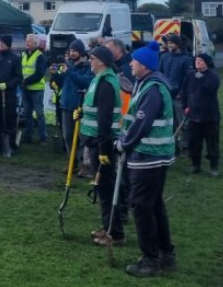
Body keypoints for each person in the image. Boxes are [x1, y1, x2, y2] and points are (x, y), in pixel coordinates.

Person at [117, 41, 176, 277]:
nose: (130, 63)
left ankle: (150, 259)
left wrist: (124, 143)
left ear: (143, 64)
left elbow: (142, 123)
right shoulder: (147, 84)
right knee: (155, 205)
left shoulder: (152, 88)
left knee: (141, 206)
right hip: (154, 155)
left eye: (134, 61)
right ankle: (166, 253)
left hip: (148, 156)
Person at [81, 46, 125, 247]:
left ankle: (114, 232)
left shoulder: (106, 83)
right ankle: (107, 226)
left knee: (107, 189)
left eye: (93, 58)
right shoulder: (97, 79)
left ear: (102, 61)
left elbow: (105, 119)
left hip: (103, 145)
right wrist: (81, 114)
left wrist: (104, 150)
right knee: (103, 189)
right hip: (95, 141)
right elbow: (95, 108)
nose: (90, 60)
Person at [51, 39, 94, 164]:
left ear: (81, 52)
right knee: (67, 136)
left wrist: (69, 72)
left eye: (75, 50)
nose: (72, 53)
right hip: (66, 105)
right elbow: (62, 82)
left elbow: (84, 82)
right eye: (70, 50)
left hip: (80, 107)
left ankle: (83, 163)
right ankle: (72, 162)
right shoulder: (68, 65)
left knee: (82, 137)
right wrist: (55, 75)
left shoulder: (87, 68)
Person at [180, 53, 221, 177]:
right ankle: (195, 165)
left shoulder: (213, 76)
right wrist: (185, 105)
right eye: (196, 60)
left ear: (206, 63)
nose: (198, 62)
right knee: (194, 143)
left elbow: (210, 89)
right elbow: (185, 91)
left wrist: (201, 77)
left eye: (201, 60)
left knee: (212, 144)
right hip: (193, 116)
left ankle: (214, 167)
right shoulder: (190, 75)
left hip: (210, 117)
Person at [0, 34, 22, 157]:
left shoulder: (15, 58)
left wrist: (7, 85)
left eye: (3, 43)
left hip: (8, 95)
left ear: (8, 44)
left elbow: (18, 77)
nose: (0, 45)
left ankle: (11, 145)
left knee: (9, 119)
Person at [159, 34, 191, 145]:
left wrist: (181, 92)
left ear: (178, 44)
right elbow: (160, 74)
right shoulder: (164, 57)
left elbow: (188, 78)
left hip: (178, 96)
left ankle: (186, 145)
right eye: (168, 43)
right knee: (169, 121)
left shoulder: (186, 59)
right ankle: (173, 146)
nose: (169, 45)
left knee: (182, 122)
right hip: (166, 93)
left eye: (171, 43)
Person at [20, 34, 48, 146]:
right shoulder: (23, 54)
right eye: (26, 41)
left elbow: (39, 74)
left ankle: (43, 138)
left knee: (39, 114)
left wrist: (25, 81)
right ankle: (28, 136)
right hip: (25, 89)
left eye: (29, 41)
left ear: (35, 44)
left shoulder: (40, 56)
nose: (27, 43)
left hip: (36, 89)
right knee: (27, 113)